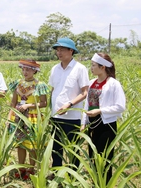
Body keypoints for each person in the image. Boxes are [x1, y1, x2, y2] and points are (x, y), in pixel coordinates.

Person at [81, 53, 125, 183]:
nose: (91, 68)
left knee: (105, 158)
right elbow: (87, 104)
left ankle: (105, 183)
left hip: (106, 125)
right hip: (92, 123)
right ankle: (96, 182)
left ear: (103, 67)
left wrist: (101, 110)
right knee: (93, 156)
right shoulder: (91, 83)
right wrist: (84, 122)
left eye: (93, 65)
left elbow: (120, 106)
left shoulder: (114, 84)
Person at [49, 38, 89, 169]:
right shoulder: (55, 69)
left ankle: (73, 177)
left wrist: (69, 104)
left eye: (62, 50)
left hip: (72, 117)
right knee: (56, 149)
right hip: (56, 116)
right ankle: (55, 173)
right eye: (57, 50)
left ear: (71, 51)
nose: (59, 53)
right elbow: (53, 90)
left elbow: (84, 93)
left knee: (73, 149)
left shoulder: (80, 69)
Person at [7, 59, 50, 180]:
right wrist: (9, 117)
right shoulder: (17, 84)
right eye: (23, 69)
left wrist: (28, 106)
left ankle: (30, 169)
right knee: (20, 144)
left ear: (35, 71)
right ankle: (21, 168)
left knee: (32, 145)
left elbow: (44, 103)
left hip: (33, 117)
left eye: (28, 69)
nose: (25, 72)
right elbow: (13, 103)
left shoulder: (39, 85)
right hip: (18, 117)